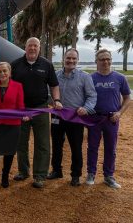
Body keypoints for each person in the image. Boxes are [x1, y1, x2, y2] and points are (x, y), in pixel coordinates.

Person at [11, 37, 63, 188]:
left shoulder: (47, 65)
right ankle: (23, 171)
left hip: (41, 109)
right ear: (25, 47)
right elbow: (10, 87)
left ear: (39, 48)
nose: (32, 48)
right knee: (21, 142)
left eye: (35, 46)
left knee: (43, 143)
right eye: (30, 45)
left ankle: (40, 175)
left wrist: (57, 100)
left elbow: (54, 85)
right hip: (21, 110)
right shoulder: (15, 65)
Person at [47, 48, 97, 186]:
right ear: (64, 59)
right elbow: (48, 93)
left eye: (74, 59)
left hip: (76, 117)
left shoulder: (85, 77)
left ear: (77, 60)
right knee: (56, 145)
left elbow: (92, 96)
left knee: (76, 147)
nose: (71, 61)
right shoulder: (55, 75)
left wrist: (86, 108)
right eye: (68, 58)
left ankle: (76, 175)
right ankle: (56, 170)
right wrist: (54, 102)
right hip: (58, 116)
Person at [86, 49, 131, 189]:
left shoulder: (119, 78)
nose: (105, 62)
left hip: (112, 118)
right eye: (102, 59)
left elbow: (127, 98)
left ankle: (108, 176)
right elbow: (85, 97)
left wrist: (120, 113)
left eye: (108, 59)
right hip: (94, 118)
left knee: (111, 148)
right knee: (92, 147)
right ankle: (91, 173)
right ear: (96, 62)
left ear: (111, 60)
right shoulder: (91, 78)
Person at [0, 62, 28, 188]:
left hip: (13, 125)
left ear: (9, 72)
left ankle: (4, 176)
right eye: (0, 71)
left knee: (9, 152)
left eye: (5, 71)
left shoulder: (18, 86)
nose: (2, 73)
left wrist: (23, 115)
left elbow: (21, 106)